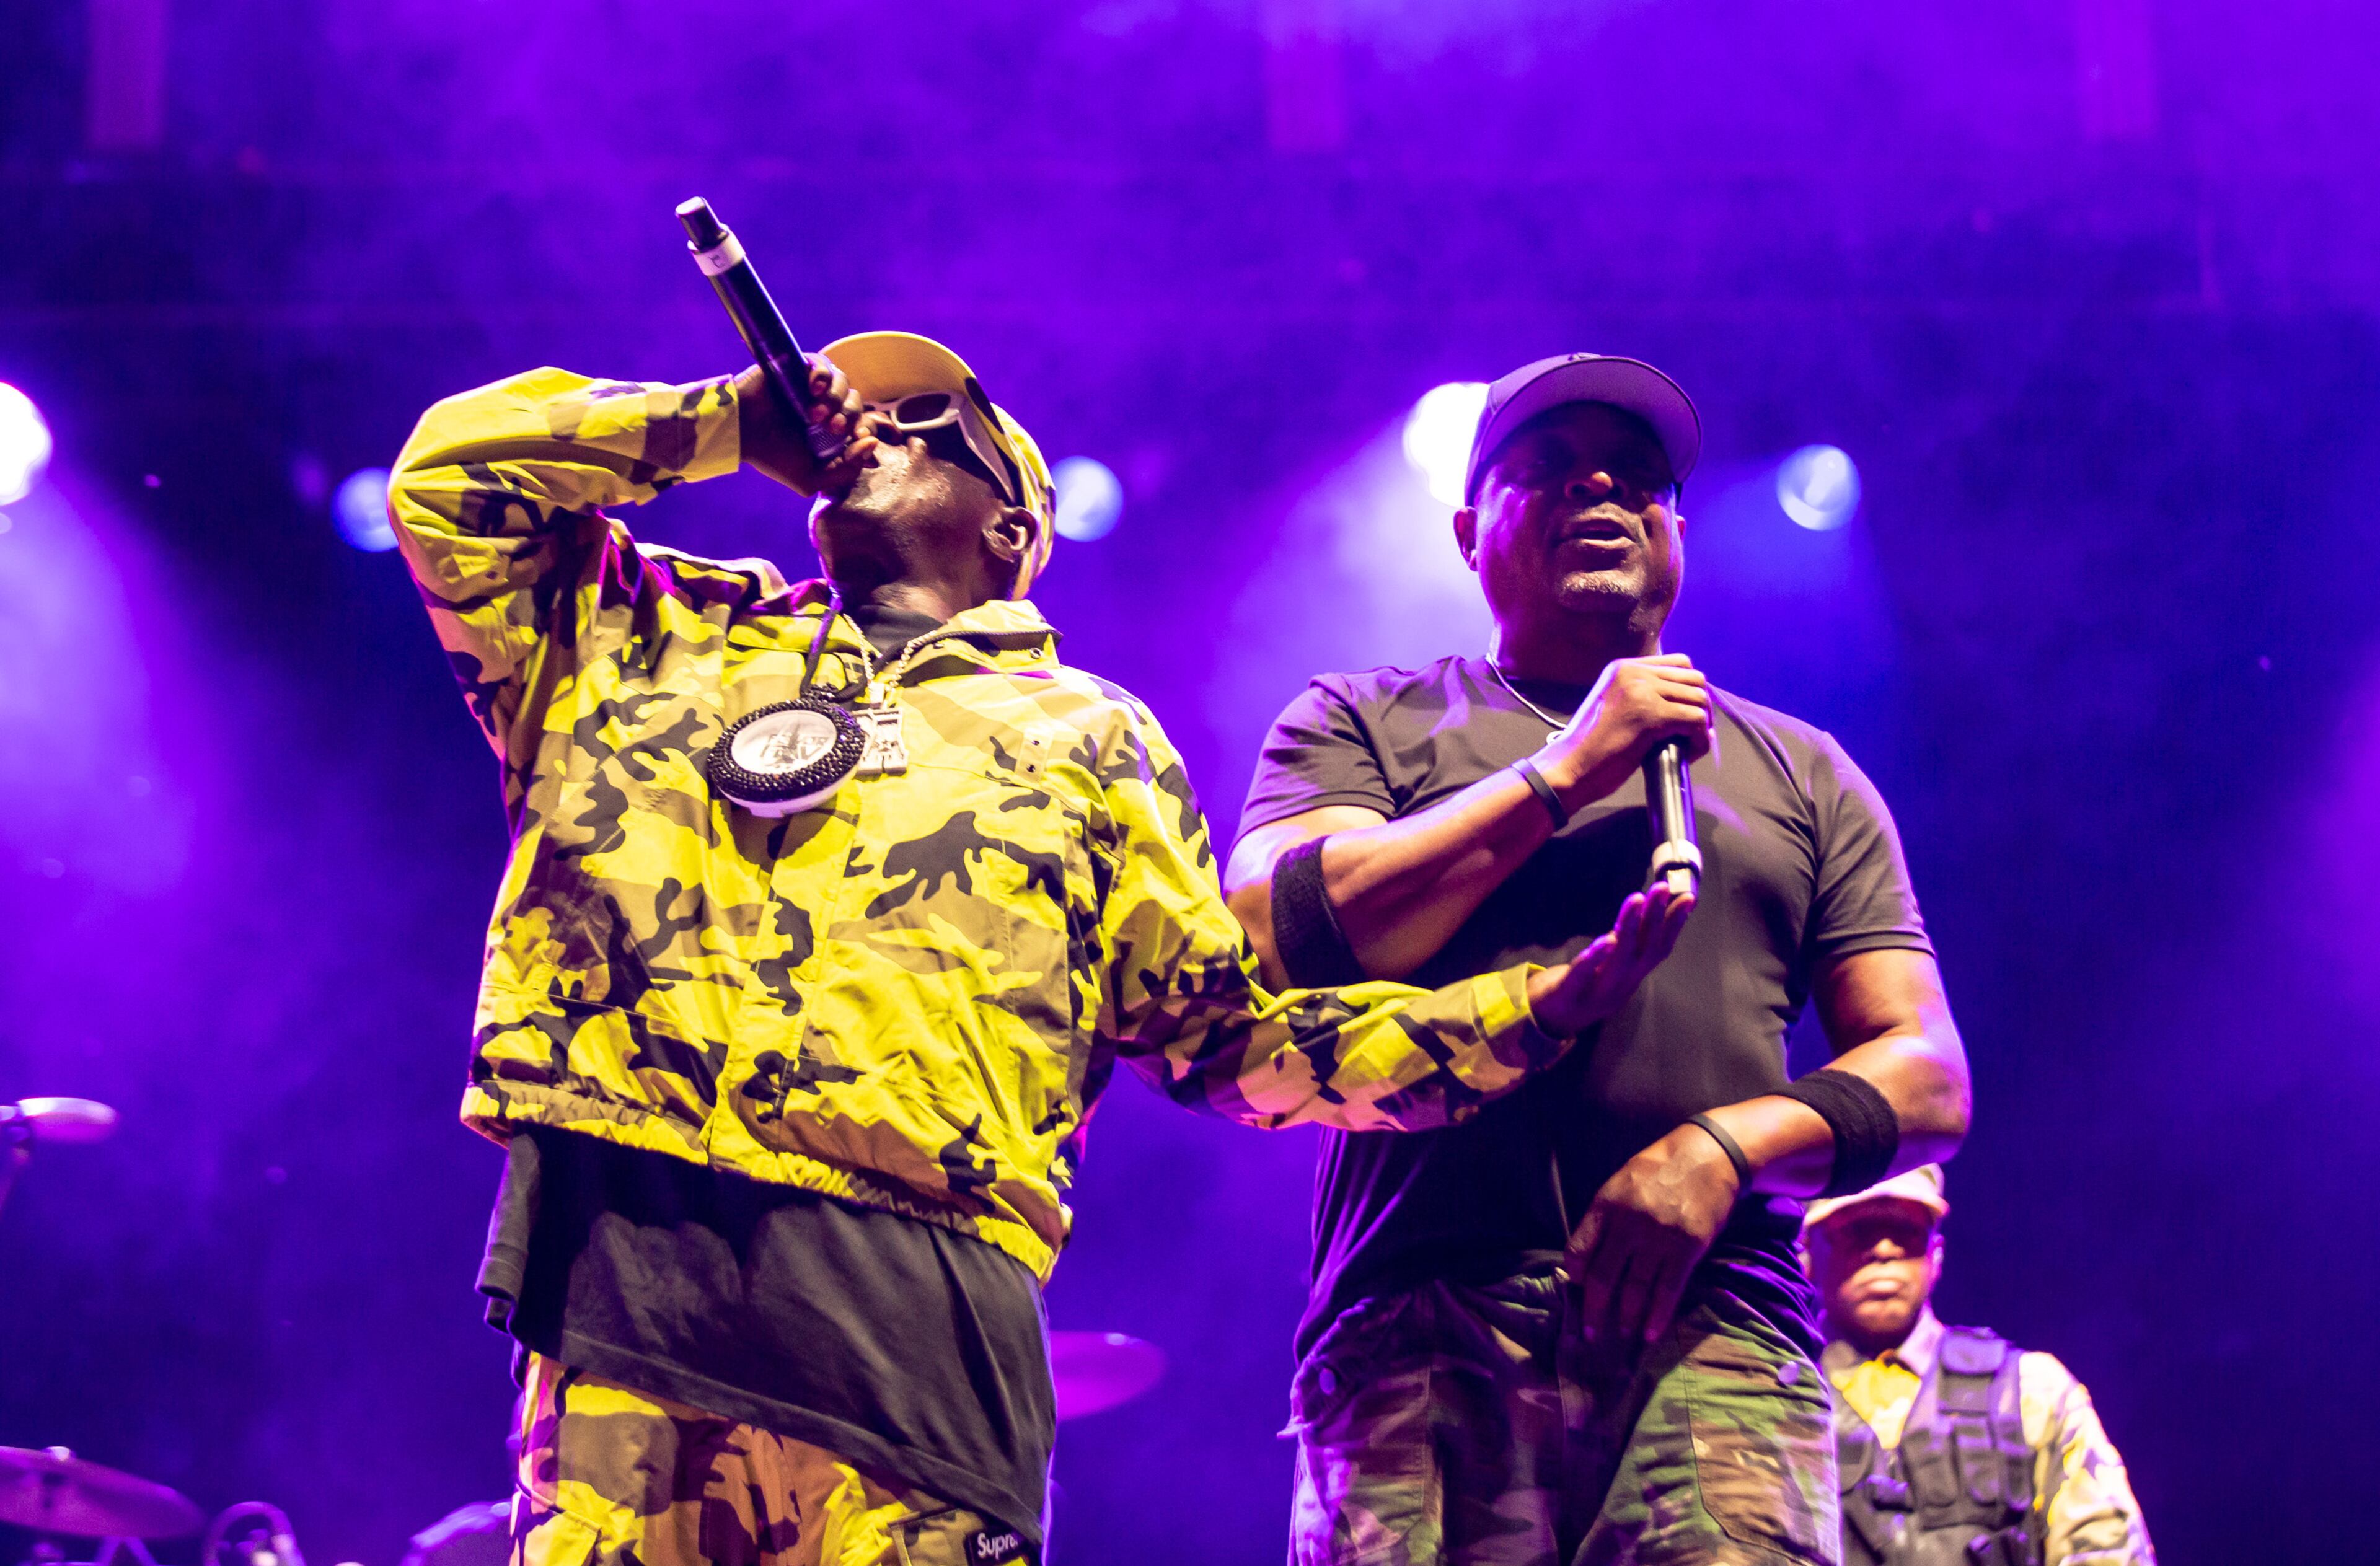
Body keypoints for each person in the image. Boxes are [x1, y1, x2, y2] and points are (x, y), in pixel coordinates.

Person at [387, 337, 1690, 1566]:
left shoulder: (1089, 741)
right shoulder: (650, 644)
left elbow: (1234, 1046)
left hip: (918, 1345)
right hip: (635, 1303)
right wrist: (726, 419)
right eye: (865, 412)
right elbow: (450, 486)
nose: (872, 427)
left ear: (1009, 528)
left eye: (926, 427)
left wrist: (1527, 1011)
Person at [1224, 351, 1973, 1565]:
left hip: (1719, 1336)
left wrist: (1721, 1150)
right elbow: (1278, 930)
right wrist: (1568, 767)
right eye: (1550, 470)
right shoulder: (1363, 718)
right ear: (1471, 532)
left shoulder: (1805, 771)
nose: (1603, 491)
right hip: (1421, 1328)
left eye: (1639, 481)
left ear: (1678, 531)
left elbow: (1929, 1074)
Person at [1804, 1167, 2156, 1566]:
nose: (1884, 1249)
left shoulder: (2031, 1392)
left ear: (1936, 1254)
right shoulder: (1770, 1395)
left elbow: (2107, 1551)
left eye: (1905, 1229)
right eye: (1857, 1230)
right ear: (1807, 1254)